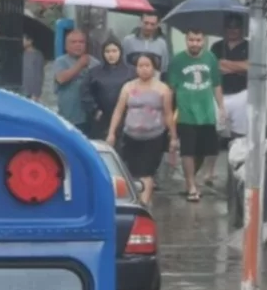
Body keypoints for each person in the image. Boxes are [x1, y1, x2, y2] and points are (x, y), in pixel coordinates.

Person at [106, 53, 175, 207]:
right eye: (140, 66)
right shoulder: (128, 87)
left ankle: (143, 204)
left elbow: (168, 114)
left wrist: (174, 137)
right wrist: (111, 133)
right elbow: (119, 110)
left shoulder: (162, 89)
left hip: (154, 136)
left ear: (154, 68)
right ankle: (135, 201)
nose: (144, 69)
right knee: (131, 172)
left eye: (147, 66)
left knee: (147, 172)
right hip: (131, 136)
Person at [167, 30, 227, 202]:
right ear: (186, 40)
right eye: (191, 40)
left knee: (205, 152)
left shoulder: (210, 59)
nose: (194, 43)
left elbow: (216, 85)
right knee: (188, 151)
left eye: (198, 40)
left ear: (203, 41)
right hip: (186, 113)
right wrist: (169, 112)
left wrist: (221, 106)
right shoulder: (177, 61)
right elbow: (171, 89)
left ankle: (191, 178)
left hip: (207, 112)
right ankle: (191, 184)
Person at [86, 39, 134, 139]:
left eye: (114, 51)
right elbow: (85, 93)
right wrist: (95, 110)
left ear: (120, 52)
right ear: (103, 53)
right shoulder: (94, 72)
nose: (111, 55)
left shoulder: (131, 71)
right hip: (101, 118)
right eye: (107, 51)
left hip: (126, 119)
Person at [211, 14, 249, 141]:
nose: (232, 30)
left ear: (241, 29)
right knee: (215, 130)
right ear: (225, 29)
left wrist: (225, 64)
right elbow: (214, 67)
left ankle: (237, 157)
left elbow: (249, 67)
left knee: (240, 134)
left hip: (242, 94)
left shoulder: (249, 46)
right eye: (229, 27)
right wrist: (239, 67)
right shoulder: (216, 46)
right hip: (220, 94)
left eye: (236, 27)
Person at [53, 29, 96, 136]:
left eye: (81, 42)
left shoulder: (94, 62)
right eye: (73, 42)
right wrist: (80, 65)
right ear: (66, 46)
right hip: (69, 118)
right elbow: (61, 79)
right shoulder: (61, 61)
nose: (78, 45)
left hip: (90, 118)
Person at [20, 33, 46, 102]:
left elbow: (39, 75)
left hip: (32, 93)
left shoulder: (37, 55)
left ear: (30, 41)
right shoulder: (22, 54)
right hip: (22, 90)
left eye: (23, 40)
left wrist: (36, 93)